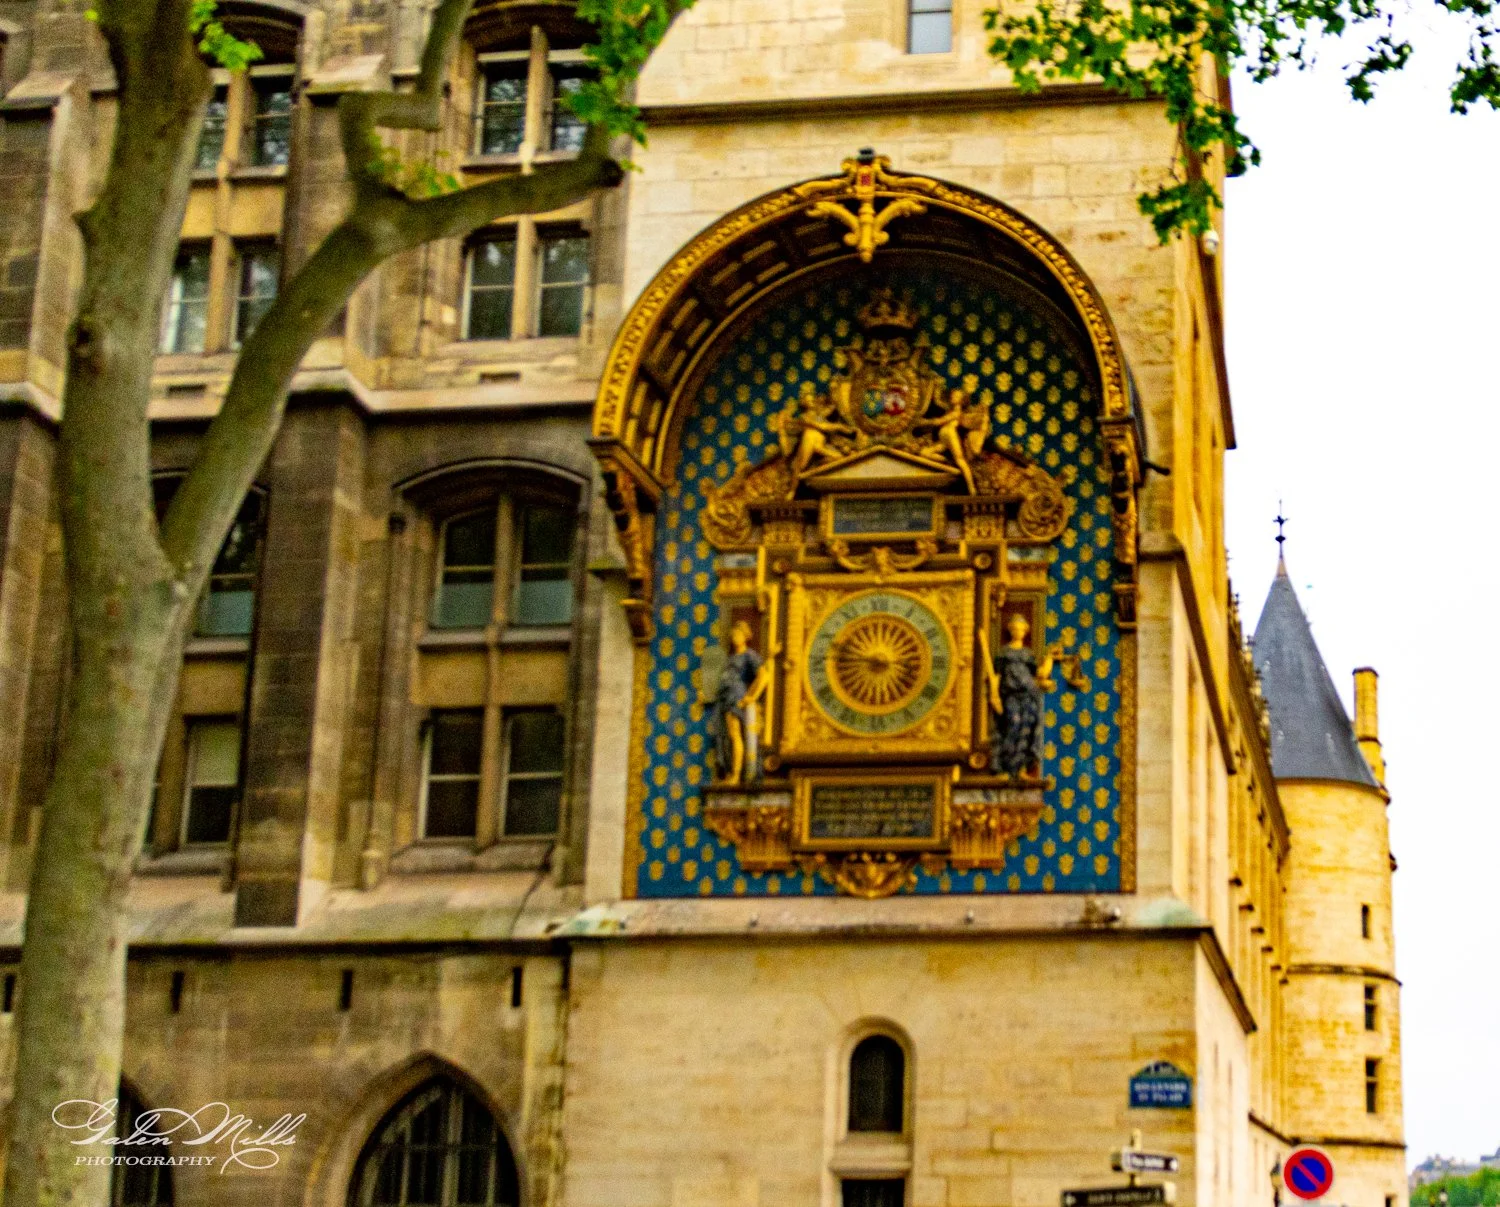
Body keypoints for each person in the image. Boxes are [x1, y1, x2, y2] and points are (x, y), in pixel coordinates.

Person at [986, 612, 1054, 777]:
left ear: (1025, 631)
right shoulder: (1004, 653)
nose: (1018, 632)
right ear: (1011, 631)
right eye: (1015, 629)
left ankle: (1021, 769)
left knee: (1027, 730)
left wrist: (1050, 659)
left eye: (1021, 629)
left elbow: (1040, 674)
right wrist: (994, 696)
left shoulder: (1027, 654)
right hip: (1011, 695)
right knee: (1012, 725)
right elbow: (996, 676)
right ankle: (1006, 767)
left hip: (1029, 694)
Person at [709, 620, 772, 785]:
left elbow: (764, 676)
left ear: (745, 636)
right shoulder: (731, 658)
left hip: (736, 697)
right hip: (725, 698)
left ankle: (736, 775)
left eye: (738, 634)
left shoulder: (749, 655)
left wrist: (752, 696)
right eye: (733, 635)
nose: (734, 637)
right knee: (729, 735)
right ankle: (733, 773)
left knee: (735, 735)